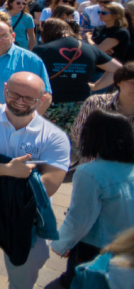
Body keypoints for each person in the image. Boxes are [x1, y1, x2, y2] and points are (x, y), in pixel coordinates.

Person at [0, 71, 71, 289]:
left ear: (43, 99)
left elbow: (48, 187)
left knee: (22, 281)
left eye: (29, 98)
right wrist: (11, 169)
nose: (20, 102)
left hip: (27, 221)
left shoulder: (55, 138)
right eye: (14, 94)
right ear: (4, 89)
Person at [51, 111, 134, 287]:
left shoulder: (89, 173)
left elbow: (79, 220)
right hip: (128, 250)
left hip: (96, 250)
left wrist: (60, 244)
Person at [33, 19, 119, 151]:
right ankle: (69, 166)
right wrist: (97, 86)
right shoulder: (90, 49)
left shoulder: (41, 50)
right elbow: (118, 69)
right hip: (80, 103)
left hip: (50, 103)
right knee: (73, 140)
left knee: (45, 138)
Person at [70, 62, 134, 160]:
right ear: (118, 82)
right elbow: (78, 133)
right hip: (95, 165)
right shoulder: (96, 102)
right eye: (132, 83)